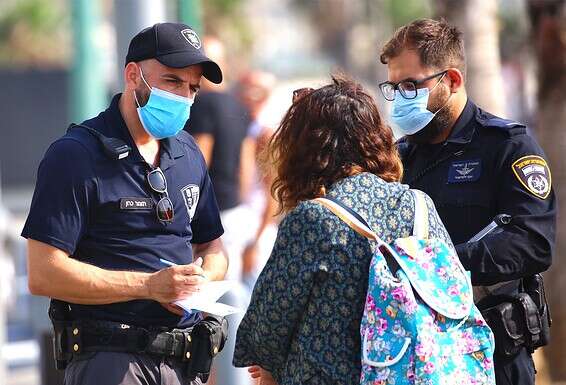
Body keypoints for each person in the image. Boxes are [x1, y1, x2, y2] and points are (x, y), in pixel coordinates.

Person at [21, 22, 229, 385]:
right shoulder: (75, 155)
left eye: (193, 88)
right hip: (110, 361)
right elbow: (43, 273)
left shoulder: (188, 152)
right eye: (172, 81)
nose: (184, 97)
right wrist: (149, 286)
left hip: (184, 361)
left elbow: (212, 246)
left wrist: (197, 282)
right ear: (134, 75)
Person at [233, 75, 456, 384]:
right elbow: (450, 293)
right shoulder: (419, 205)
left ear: (306, 149)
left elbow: (268, 323)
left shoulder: (314, 219)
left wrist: (267, 361)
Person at [378, 18, 556, 385]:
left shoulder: (507, 147)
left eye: (411, 85)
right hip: (416, 356)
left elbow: (533, 243)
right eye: (393, 87)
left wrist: (437, 266)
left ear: (452, 80)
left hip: (493, 354)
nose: (400, 97)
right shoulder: (400, 159)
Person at [183, 37, 254, 385]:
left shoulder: (204, 106)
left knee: (205, 307)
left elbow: (198, 158)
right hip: (236, 211)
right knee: (230, 303)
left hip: (212, 216)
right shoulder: (235, 104)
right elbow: (245, 163)